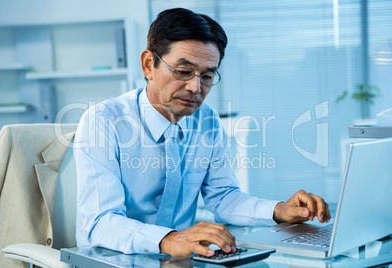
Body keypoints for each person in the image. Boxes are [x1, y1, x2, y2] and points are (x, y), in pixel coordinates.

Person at [74, 7, 331, 259]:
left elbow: (223, 198)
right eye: (183, 72)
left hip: (180, 260)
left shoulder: (206, 119)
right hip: (113, 259)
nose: (195, 87)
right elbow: (99, 221)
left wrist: (279, 210)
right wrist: (169, 239)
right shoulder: (104, 121)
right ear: (148, 65)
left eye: (207, 76)